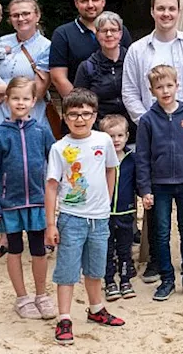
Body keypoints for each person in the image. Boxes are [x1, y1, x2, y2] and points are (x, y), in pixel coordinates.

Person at [120, 0, 183, 281]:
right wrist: (150, 122)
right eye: (161, 8)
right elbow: (130, 92)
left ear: (179, 10)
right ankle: (157, 260)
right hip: (151, 131)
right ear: (152, 11)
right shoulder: (137, 49)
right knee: (154, 197)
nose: (166, 14)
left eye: (171, 8)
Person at [46, 88, 126, 345]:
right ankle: (64, 317)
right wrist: (51, 223)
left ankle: (96, 308)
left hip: (100, 217)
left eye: (85, 114)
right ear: (65, 117)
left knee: (95, 268)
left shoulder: (103, 140)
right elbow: (52, 185)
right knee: (67, 270)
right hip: (71, 217)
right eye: (73, 114)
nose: (80, 119)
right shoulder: (60, 148)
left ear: (94, 115)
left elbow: (111, 169)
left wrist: (106, 200)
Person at [0, 77, 58, 319]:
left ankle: (41, 294)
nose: (20, 102)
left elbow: (56, 161)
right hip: (10, 205)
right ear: (6, 101)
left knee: (39, 250)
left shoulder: (41, 130)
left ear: (33, 101)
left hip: (37, 202)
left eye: (26, 98)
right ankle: (22, 298)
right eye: (15, 98)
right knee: (14, 250)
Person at [136, 64, 183, 300]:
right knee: (162, 232)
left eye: (169, 85)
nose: (165, 91)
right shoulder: (147, 121)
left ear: (177, 86)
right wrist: (145, 188)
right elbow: (143, 157)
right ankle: (167, 278)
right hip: (160, 185)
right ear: (152, 90)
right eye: (159, 87)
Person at [0, 0, 52, 131]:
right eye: (15, 15)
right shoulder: (1, 41)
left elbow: (39, 91)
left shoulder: (46, 47)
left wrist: (1, 89)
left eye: (26, 14)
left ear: (37, 15)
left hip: (29, 117)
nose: (21, 19)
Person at [50, 0, 134, 99]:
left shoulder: (119, 31)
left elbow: (131, 65)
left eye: (94, 0)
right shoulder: (63, 34)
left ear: (103, 1)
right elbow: (58, 78)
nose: (90, 5)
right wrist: (81, 106)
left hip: (121, 108)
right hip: (82, 110)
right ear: (76, 3)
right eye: (84, 1)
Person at [73, 11, 131, 138]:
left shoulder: (133, 61)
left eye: (113, 30)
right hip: (99, 134)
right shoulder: (87, 67)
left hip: (132, 132)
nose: (109, 34)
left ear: (120, 34)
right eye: (104, 31)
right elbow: (79, 103)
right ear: (97, 34)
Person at [100, 115, 138, 301]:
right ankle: (109, 282)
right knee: (107, 249)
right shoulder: (99, 159)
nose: (116, 140)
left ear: (127, 136)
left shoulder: (132, 159)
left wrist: (145, 194)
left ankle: (125, 279)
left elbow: (139, 182)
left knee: (125, 248)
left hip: (126, 211)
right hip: (104, 213)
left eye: (120, 135)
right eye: (111, 136)